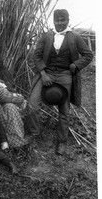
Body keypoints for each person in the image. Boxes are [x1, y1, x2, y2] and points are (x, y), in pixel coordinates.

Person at [26, 9, 93, 155]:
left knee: (64, 110)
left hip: (65, 75)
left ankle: (61, 141)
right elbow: (36, 56)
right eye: (57, 20)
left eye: (63, 20)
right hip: (47, 73)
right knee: (32, 105)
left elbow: (88, 55)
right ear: (53, 20)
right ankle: (34, 133)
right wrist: (43, 73)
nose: (60, 23)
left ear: (68, 20)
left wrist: (76, 65)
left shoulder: (75, 37)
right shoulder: (46, 36)